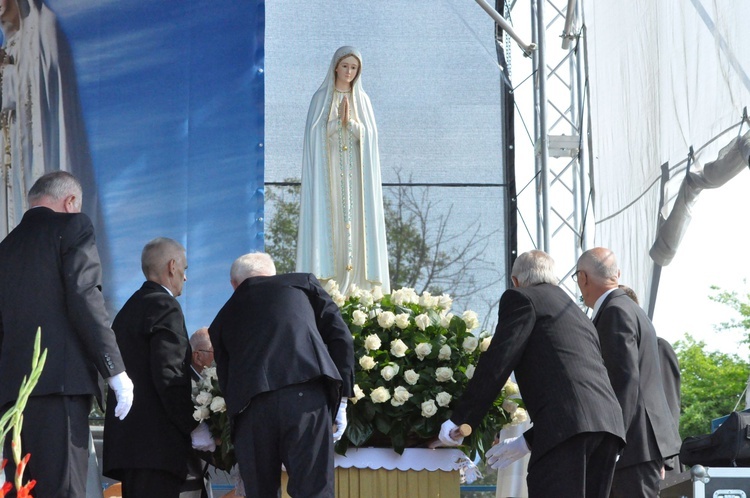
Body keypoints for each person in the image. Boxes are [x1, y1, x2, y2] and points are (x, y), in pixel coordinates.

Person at [439, 250, 626, 497]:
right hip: (609, 428)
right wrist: (529, 440)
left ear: (516, 282)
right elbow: (576, 389)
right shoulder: (577, 314)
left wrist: (462, 420)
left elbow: (498, 361)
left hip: (569, 430)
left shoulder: (521, 298)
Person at [0, 171, 133, 498]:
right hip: (59, 385)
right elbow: (85, 296)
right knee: (63, 490)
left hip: (11, 396)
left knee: (21, 490)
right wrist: (115, 370)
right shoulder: (73, 226)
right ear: (71, 201)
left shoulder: (5, 247)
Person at [209, 252, 354, 498]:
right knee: (313, 492)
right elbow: (341, 338)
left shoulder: (220, 320)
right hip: (305, 398)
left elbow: (226, 379)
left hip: (251, 410)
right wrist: (341, 399)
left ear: (235, 285)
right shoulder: (301, 284)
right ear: (273, 274)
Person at [103, 237, 215, 498]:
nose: (185, 278)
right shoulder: (164, 306)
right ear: (172, 266)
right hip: (157, 450)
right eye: (185, 269)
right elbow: (169, 374)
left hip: (132, 449)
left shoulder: (129, 310)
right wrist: (195, 426)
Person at [575, 247, 682, 497]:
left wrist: (613, 442)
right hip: (639, 445)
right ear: (617, 274)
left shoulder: (614, 311)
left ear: (583, 278)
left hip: (632, 446)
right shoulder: (631, 309)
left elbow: (623, 380)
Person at [297, 46, 390, 296]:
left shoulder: (363, 100)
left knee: (358, 231)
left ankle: (358, 287)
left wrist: (354, 125)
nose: (349, 71)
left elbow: (370, 138)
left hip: (357, 183)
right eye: (345, 66)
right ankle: (332, 286)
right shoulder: (320, 99)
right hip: (330, 181)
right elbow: (314, 138)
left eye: (354, 67)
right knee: (334, 227)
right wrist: (336, 123)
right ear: (336, 67)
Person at [0, 0, 97, 238]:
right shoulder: (10, 45)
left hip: (40, 143)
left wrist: (8, 74)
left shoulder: (44, 29)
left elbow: (41, 95)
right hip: (12, 148)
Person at [183, 327, 214, 498]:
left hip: (200, 473)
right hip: (185, 474)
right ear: (197, 356)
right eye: (214, 351)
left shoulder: (210, 383)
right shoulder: (187, 385)